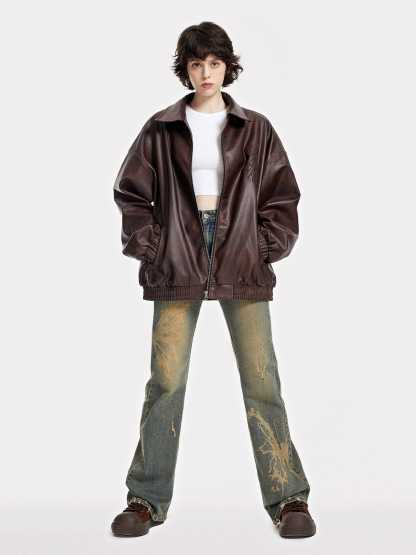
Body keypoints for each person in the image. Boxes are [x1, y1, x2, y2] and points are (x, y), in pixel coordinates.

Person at [111, 21, 316, 539]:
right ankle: (145, 500)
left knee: (262, 380)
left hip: (241, 257)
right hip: (177, 257)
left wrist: (263, 246)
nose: (206, 73)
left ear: (228, 67)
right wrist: (152, 246)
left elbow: (282, 196)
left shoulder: (256, 129)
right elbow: (131, 193)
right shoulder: (161, 128)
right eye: (197, 64)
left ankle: (288, 498)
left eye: (215, 63)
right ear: (186, 69)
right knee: (166, 382)